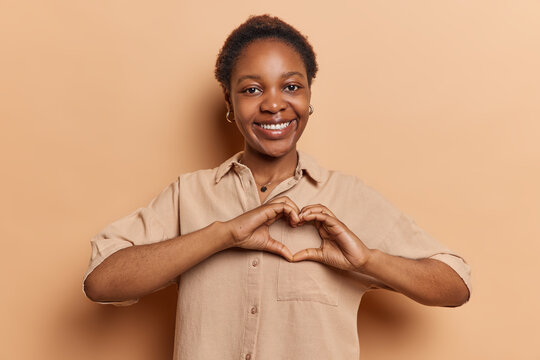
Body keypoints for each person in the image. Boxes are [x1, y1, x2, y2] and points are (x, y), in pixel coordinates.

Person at [83, 15, 471, 360]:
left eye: (291, 86)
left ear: (308, 97)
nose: (273, 104)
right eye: (252, 89)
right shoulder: (189, 195)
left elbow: (454, 285)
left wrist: (367, 260)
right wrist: (223, 235)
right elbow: (101, 281)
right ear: (229, 102)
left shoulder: (348, 197)